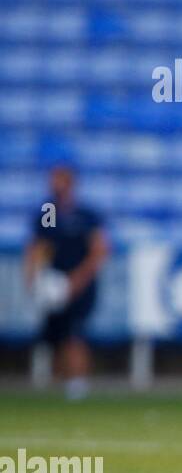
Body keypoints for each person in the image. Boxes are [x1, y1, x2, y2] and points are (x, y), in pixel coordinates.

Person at [23, 164, 109, 400]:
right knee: (58, 335)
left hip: (81, 284)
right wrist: (34, 277)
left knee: (76, 333)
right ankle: (66, 381)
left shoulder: (85, 216)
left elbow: (99, 250)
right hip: (54, 286)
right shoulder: (48, 213)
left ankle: (78, 385)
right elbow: (40, 247)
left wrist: (77, 280)